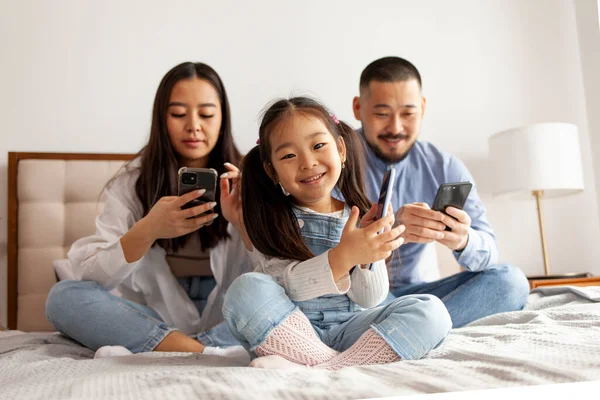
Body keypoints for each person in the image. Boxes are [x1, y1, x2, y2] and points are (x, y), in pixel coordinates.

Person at [219, 97, 452, 370]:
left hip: (352, 331)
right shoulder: (273, 219)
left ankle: (325, 368)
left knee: (431, 311)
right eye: (288, 156)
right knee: (245, 289)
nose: (307, 162)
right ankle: (330, 363)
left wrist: (368, 259)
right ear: (272, 171)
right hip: (291, 331)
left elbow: (369, 299)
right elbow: (286, 284)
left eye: (318, 146)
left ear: (341, 150)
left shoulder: (356, 216)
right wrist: (343, 256)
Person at [45, 61, 251, 361]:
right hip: (153, 320)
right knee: (62, 298)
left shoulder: (247, 181)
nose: (193, 125)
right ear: (161, 118)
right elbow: (91, 277)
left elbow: (275, 274)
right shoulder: (133, 183)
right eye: (178, 114)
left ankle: (176, 348)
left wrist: (246, 225)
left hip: (228, 322)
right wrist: (148, 229)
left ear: (223, 119)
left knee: (287, 295)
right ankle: (201, 352)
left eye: (206, 114)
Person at [351, 56, 530, 328]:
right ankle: (416, 329)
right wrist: (392, 229)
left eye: (408, 113)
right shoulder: (335, 162)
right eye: (382, 114)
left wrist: (462, 240)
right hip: (356, 295)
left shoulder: (443, 166)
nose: (396, 128)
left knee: (511, 281)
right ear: (358, 108)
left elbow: (489, 250)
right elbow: (322, 255)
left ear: (422, 108)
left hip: (418, 296)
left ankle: (410, 329)